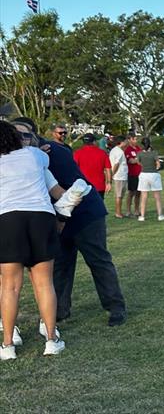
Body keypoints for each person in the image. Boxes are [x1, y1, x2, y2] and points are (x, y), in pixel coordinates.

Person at [11, 118, 128, 328]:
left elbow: (74, 189)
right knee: (61, 264)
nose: (19, 139)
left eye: (24, 135)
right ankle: (59, 310)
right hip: (58, 215)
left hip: (85, 213)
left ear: (35, 136)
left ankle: (115, 307)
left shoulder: (53, 152)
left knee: (98, 260)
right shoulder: (23, 156)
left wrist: (62, 219)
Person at [0, 120, 87, 360]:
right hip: (41, 217)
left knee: (9, 286)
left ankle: (7, 344)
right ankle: (51, 339)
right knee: (43, 283)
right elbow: (50, 179)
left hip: (7, 219)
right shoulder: (34, 155)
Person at [72, 133, 112, 198]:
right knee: (98, 206)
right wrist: (109, 183)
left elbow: (74, 169)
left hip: (83, 186)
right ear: (94, 141)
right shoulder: (102, 153)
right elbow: (108, 169)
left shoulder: (78, 153)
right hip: (99, 186)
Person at [136, 137, 164, 222]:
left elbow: (138, 162)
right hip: (154, 174)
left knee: (144, 196)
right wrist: (156, 167)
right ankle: (160, 215)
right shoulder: (154, 153)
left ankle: (142, 216)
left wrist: (143, 165)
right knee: (157, 197)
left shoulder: (140, 153)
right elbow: (158, 164)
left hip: (144, 174)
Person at [108, 135, 128, 219]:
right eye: (125, 141)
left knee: (120, 196)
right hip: (119, 176)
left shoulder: (116, 150)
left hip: (121, 176)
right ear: (121, 142)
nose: (127, 142)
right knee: (119, 196)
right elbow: (116, 164)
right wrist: (112, 175)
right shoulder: (119, 152)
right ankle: (118, 213)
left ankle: (119, 212)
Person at [123, 133, 143, 217]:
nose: (136, 141)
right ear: (129, 139)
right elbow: (131, 161)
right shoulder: (128, 149)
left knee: (139, 193)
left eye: (136, 139)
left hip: (140, 173)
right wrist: (138, 160)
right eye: (134, 139)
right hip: (132, 174)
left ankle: (136, 210)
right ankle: (128, 211)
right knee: (131, 192)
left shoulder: (138, 148)